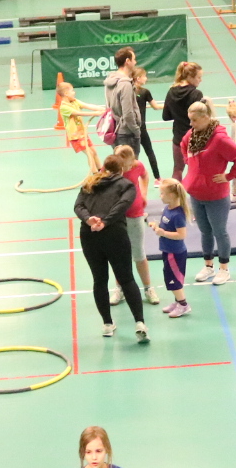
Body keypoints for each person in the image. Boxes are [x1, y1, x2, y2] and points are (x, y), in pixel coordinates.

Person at [76, 154, 149, 342]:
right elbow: (122, 205)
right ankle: (140, 323)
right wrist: (106, 222)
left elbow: (78, 206)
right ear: (121, 170)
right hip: (115, 234)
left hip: (89, 234)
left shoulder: (89, 182)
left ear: (103, 168)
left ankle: (107, 324)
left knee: (99, 280)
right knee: (126, 278)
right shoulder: (126, 185)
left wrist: (89, 219)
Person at [181, 103, 236, 287]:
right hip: (196, 193)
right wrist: (192, 167)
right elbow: (183, 145)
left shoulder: (219, 139)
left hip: (216, 195)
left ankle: (224, 269)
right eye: (190, 120)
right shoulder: (192, 135)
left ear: (205, 117)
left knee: (220, 231)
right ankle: (208, 266)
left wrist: (228, 176)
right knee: (205, 231)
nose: (191, 123)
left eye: (194, 120)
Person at [112, 145, 159, 308]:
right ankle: (120, 288)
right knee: (119, 254)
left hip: (135, 214)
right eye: (123, 165)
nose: (126, 168)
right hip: (116, 217)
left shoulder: (137, 166)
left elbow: (145, 176)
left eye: (128, 165)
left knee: (139, 253)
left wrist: (144, 194)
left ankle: (148, 288)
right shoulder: (110, 167)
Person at [152, 179, 191, 319]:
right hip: (167, 250)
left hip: (175, 253)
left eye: (162, 193)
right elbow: (165, 227)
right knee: (169, 277)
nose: (160, 196)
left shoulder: (178, 214)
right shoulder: (167, 209)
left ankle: (184, 305)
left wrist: (163, 233)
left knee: (174, 280)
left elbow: (181, 235)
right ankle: (177, 302)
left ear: (172, 195)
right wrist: (156, 226)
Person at [162, 62, 205, 173]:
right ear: (190, 77)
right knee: (197, 171)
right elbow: (201, 118)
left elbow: (166, 116)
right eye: (199, 77)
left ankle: (174, 191)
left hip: (178, 138)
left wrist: (178, 112)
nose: (200, 80)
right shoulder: (196, 94)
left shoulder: (171, 91)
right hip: (195, 139)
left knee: (178, 169)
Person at [56, 77, 105, 172]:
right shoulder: (64, 107)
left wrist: (101, 109)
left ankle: (101, 171)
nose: (74, 92)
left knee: (94, 152)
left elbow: (88, 106)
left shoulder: (74, 101)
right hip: (75, 136)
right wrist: (94, 114)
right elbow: (79, 113)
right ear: (66, 94)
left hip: (82, 133)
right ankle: (95, 175)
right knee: (89, 154)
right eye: (72, 91)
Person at [103, 47, 144, 158]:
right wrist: (136, 130)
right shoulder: (125, 84)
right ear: (127, 61)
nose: (135, 62)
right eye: (134, 59)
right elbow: (128, 113)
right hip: (127, 133)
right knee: (130, 169)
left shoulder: (110, 80)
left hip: (115, 130)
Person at [128, 62, 161, 177]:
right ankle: (158, 178)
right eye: (144, 76)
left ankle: (132, 177)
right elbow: (156, 107)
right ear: (138, 78)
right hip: (141, 129)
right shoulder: (145, 92)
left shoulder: (127, 91)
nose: (146, 78)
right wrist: (171, 105)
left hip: (129, 128)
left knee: (132, 155)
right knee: (149, 152)